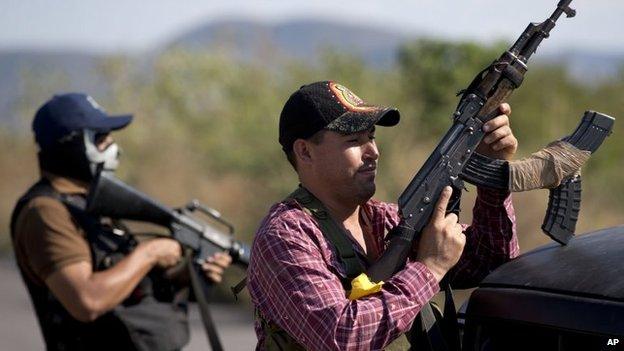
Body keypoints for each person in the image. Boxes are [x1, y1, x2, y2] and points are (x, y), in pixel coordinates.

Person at [247, 81, 519, 350]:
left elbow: (493, 262)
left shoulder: (385, 219)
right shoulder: (286, 235)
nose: (373, 152)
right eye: (354, 140)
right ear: (305, 151)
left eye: (371, 137)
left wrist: (493, 171)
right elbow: (340, 337)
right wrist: (429, 269)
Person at [10, 93, 232, 351]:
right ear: (71, 146)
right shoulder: (46, 212)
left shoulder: (86, 205)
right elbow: (87, 300)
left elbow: (125, 289)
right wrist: (149, 253)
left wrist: (186, 275)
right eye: (101, 139)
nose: (114, 148)